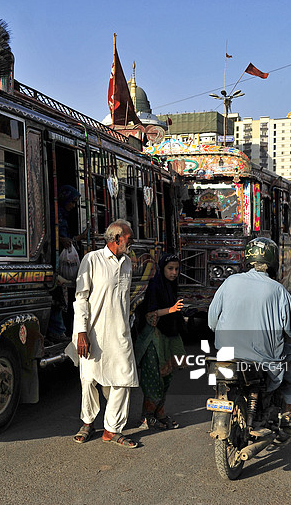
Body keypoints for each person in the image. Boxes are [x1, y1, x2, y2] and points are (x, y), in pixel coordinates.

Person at [208, 237, 291, 437]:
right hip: (264, 358)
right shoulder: (277, 289)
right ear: (272, 260)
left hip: (227, 355)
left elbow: (212, 320)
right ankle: (289, 412)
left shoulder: (230, 281)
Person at [69, 219, 140, 447]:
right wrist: (81, 332)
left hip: (120, 332)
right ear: (117, 238)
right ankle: (88, 422)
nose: (132, 241)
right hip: (93, 332)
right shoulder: (92, 260)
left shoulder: (128, 262)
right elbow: (81, 298)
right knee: (89, 379)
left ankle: (112, 429)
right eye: (129, 237)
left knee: (123, 379)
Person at [135, 253, 185, 430]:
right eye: (170, 268)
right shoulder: (155, 285)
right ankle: (147, 417)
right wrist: (171, 310)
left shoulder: (171, 285)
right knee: (153, 379)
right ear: (162, 268)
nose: (173, 273)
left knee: (166, 378)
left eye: (176, 269)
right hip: (153, 339)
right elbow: (150, 314)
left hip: (167, 337)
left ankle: (160, 414)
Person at [47, 185, 82, 344]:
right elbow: (52, 234)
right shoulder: (55, 214)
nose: (73, 206)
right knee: (57, 296)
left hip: (58, 259)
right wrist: (61, 240)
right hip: (53, 261)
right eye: (72, 202)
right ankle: (57, 331)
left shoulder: (62, 214)